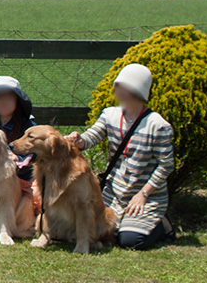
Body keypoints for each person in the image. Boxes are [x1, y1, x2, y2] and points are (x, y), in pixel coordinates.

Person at [67, 63, 175, 250]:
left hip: (145, 196)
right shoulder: (110, 115)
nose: (119, 91)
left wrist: (143, 194)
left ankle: (162, 225)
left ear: (139, 91)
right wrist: (78, 140)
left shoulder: (158, 125)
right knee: (100, 231)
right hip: (113, 192)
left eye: (125, 87)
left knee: (130, 241)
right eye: (118, 86)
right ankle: (128, 223)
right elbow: (91, 137)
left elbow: (166, 165)